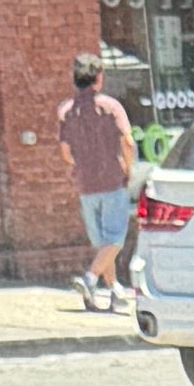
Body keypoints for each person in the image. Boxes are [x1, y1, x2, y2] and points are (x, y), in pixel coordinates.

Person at [60, 50, 139, 318]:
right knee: (114, 239)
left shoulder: (67, 111)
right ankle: (90, 278)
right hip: (112, 179)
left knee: (102, 243)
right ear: (99, 78)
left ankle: (114, 290)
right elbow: (127, 141)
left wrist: (80, 165)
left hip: (86, 183)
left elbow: (65, 152)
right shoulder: (111, 106)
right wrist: (128, 166)